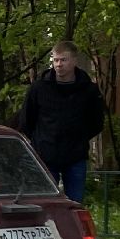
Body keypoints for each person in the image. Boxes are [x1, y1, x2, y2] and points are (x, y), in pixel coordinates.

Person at [15, 40, 105, 203]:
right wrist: (40, 141)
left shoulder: (88, 90)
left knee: (75, 203)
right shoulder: (39, 88)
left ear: (74, 60)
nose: (58, 64)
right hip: (45, 155)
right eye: (55, 60)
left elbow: (97, 122)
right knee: (45, 203)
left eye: (63, 60)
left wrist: (79, 138)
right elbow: (26, 120)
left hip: (75, 156)